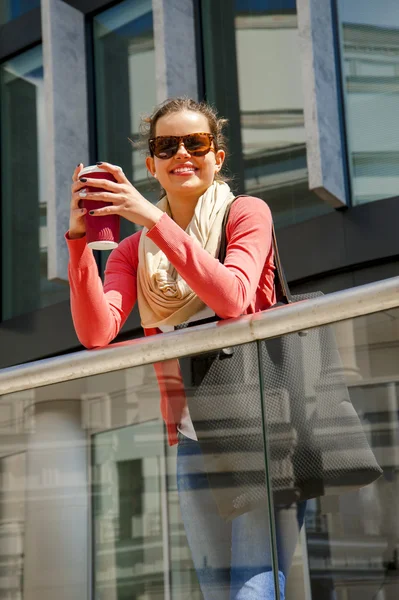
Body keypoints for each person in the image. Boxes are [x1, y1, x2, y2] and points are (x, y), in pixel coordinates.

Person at [66, 97, 306, 600]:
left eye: (196, 143)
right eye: (166, 145)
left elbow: (234, 296)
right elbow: (97, 331)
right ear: (150, 164)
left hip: (263, 429)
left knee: (254, 592)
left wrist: (154, 219)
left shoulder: (246, 213)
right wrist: (79, 243)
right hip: (195, 443)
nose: (183, 154)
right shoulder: (134, 252)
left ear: (217, 156)